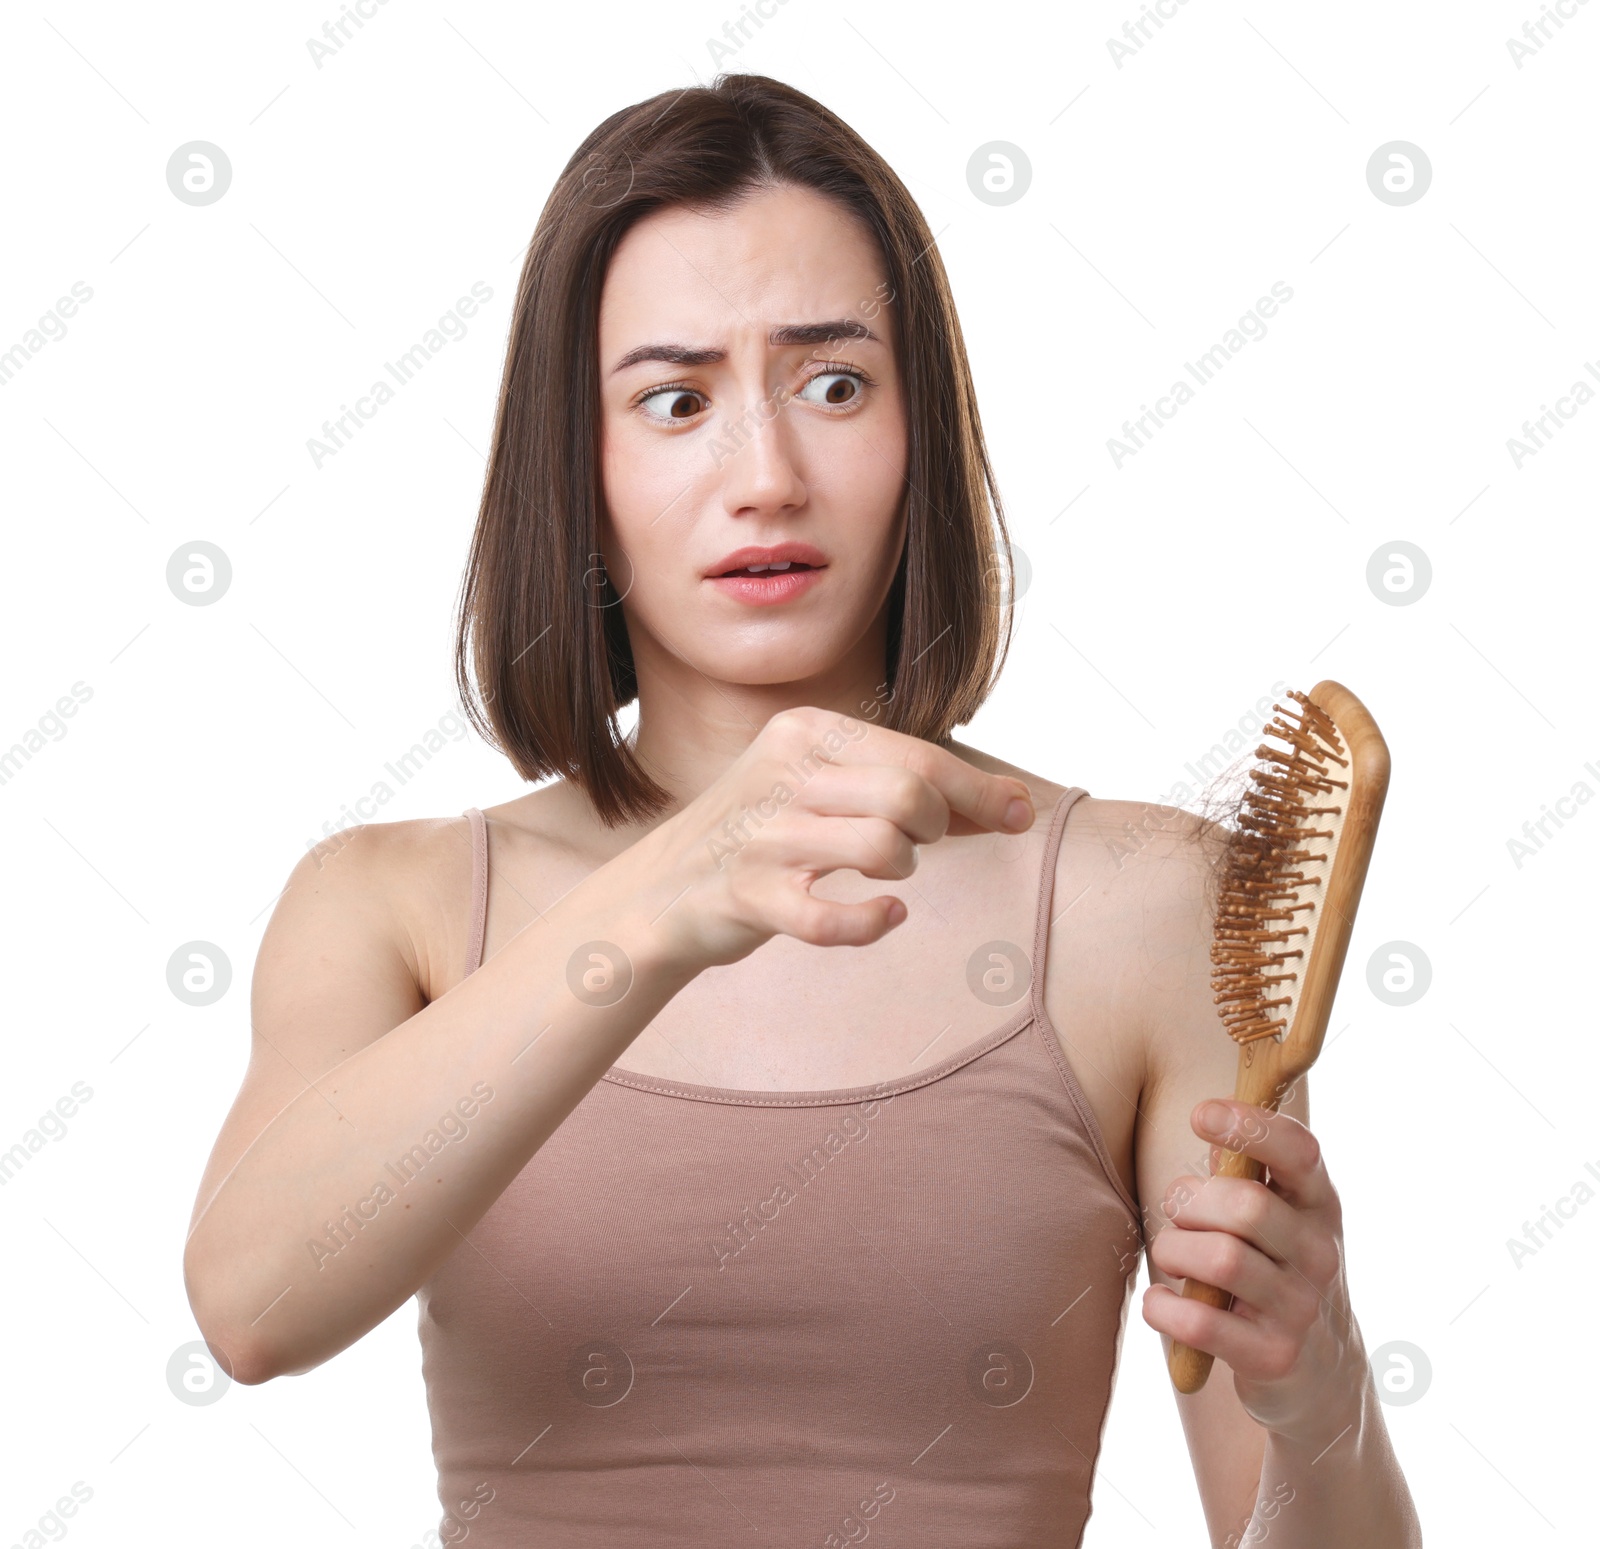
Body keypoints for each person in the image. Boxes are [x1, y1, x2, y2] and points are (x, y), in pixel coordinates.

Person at [183, 73, 1421, 1548]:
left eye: (835, 383)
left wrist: (1322, 1390)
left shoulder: (1144, 907)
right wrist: (664, 897)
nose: (765, 476)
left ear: (922, 436)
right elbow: (251, 1309)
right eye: (676, 399)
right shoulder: (386, 908)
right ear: (573, 467)